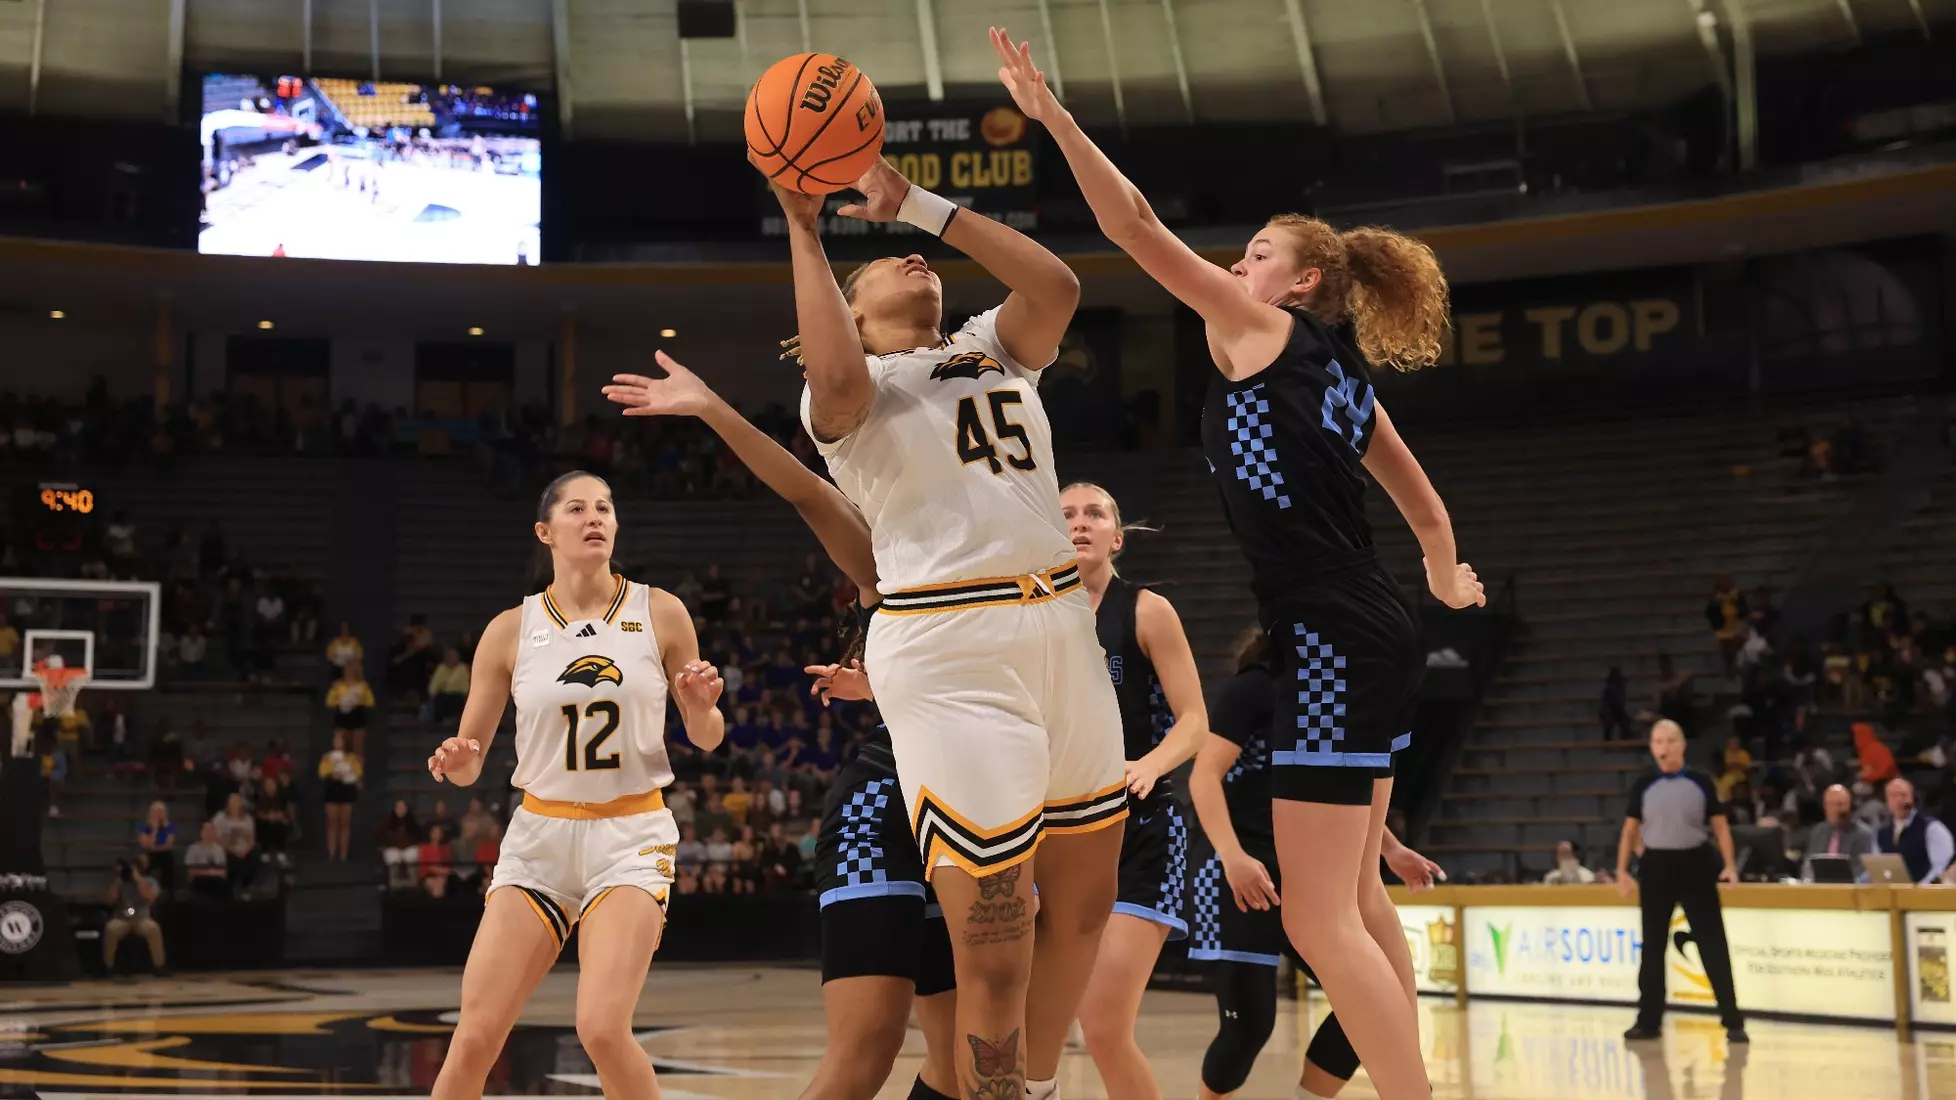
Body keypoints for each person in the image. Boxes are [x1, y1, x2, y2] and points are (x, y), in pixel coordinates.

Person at [987, 28, 1479, 1099]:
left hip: (1335, 630)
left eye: (1254, 253)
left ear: (1297, 283)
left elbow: (1134, 226)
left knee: (1317, 915)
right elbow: (1419, 495)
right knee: (1355, 901)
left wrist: (1057, 119)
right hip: (1366, 622)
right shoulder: (1339, 368)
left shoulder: (1266, 330)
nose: (1235, 266)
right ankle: (1415, 1083)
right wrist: (1444, 568)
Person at [756, 124, 1126, 1099]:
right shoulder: (851, 393)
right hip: (950, 644)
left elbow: (1058, 289)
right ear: (851, 307)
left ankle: (1025, 1091)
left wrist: (919, 205)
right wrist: (806, 226)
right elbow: (831, 377)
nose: (914, 262)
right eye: (886, 264)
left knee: (1084, 908)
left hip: (1060, 627)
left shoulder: (989, 347)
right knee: (995, 955)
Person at [605, 356, 956, 1100]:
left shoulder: (1024, 574)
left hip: (981, 809)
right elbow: (803, 489)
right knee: (868, 1045)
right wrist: (711, 408)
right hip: (886, 807)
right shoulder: (889, 558)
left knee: (970, 1065)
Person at [425, 470, 724, 1100]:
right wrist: (455, 760)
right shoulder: (510, 629)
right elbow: (472, 758)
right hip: (539, 836)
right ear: (545, 531)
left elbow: (708, 736)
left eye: (606, 508)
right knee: (474, 1035)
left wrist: (700, 707)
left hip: (630, 835)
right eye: (579, 508)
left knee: (602, 1029)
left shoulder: (661, 611)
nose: (596, 518)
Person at [1186, 626, 1444, 1100]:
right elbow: (1204, 776)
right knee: (1249, 1027)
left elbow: (1337, 794)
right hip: (1238, 871)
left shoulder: (1334, 695)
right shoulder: (1253, 689)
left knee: (1366, 1003)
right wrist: (1231, 856)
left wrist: (1390, 849)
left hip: (1307, 867)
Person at [1061, 483, 1208, 1100]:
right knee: (1025, 1022)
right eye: (1065, 514)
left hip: (1142, 828)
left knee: (1102, 1025)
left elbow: (1196, 720)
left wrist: (1150, 764)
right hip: (1060, 829)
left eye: (1094, 514)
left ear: (1116, 538)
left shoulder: (1147, 610)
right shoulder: (1030, 620)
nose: (1080, 523)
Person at [1616, 719, 1746, 1043]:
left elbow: (1720, 827)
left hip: (1696, 863)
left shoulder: (1701, 780)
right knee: (1653, 946)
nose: (1664, 747)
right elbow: (1630, 829)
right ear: (1652, 747)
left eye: (1670, 740)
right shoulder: (1644, 783)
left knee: (1712, 942)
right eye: (1658, 741)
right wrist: (1622, 869)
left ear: (1682, 744)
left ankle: (1732, 1020)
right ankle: (1648, 1021)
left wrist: (1729, 865)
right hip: (1657, 865)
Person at [1876, 776, 1954, 884]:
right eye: (1893, 796)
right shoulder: (1881, 833)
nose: (1899, 800)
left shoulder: (1932, 828)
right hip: (1893, 895)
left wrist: (1919, 890)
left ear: (1912, 798)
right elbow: (1876, 867)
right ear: (1887, 801)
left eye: (1903, 795)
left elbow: (1941, 868)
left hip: (1926, 896)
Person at [103, 856, 165, 974]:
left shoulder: (150, 881)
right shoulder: (120, 882)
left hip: (142, 918)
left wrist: (137, 878)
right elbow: (111, 899)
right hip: (122, 918)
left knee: (153, 928)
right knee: (110, 928)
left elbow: (150, 897)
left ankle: (159, 966)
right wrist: (117, 878)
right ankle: (108, 967)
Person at [1802, 783, 1876, 880]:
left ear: (1849, 806)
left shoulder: (1865, 835)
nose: (1836, 809)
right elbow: (1808, 867)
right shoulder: (1818, 832)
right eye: (1831, 804)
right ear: (1825, 807)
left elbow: (1863, 872)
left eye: (1840, 804)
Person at [318, 729, 362, 861]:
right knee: (331, 823)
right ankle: (331, 853)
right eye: (335, 740)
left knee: (344, 823)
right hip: (332, 788)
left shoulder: (352, 758)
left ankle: (343, 854)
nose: (337, 742)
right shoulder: (327, 757)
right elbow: (322, 772)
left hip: (346, 790)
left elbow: (358, 773)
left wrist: (347, 772)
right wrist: (332, 773)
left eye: (339, 740)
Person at [327, 662, 375, 757]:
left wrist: (358, 701)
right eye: (347, 670)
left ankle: (357, 770)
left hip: (357, 716)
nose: (349, 673)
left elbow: (370, 702)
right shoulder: (337, 686)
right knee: (340, 749)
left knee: (357, 751)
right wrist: (341, 702)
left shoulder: (363, 686)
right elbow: (329, 702)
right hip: (341, 717)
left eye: (352, 670)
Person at [183, 821, 231, 899]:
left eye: (211, 831)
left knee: (225, 886)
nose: (209, 834)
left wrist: (213, 873)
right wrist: (208, 873)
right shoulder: (193, 849)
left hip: (216, 879)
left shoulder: (220, 850)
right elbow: (191, 871)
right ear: (202, 833)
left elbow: (223, 871)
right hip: (199, 879)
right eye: (206, 831)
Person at [138, 800, 178, 894]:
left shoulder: (170, 827)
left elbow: (169, 844)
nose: (158, 814)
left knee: (169, 859)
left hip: (165, 855)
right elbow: (145, 844)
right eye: (156, 812)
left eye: (161, 812)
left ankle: (168, 893)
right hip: (149, 854)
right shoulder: (144, 827)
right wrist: (154, 829)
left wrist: (154, 846)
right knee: (144, 860)